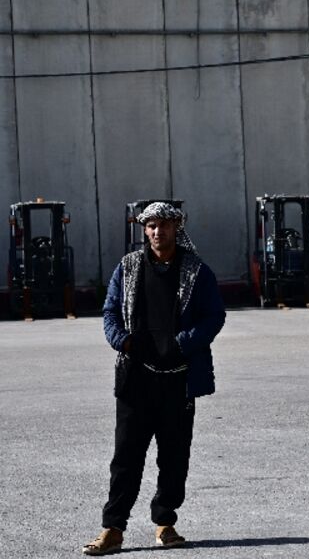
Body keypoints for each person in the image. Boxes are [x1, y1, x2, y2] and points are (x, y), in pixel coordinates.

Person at [82, 203, 225, 555]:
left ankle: (165, 523)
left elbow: (214, 317)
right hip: (136, 378)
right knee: (126, 457)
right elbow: (110, 311)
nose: (157, 232)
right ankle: (113, 530)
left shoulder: (196, 271)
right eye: (150, 226)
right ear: (144, 230)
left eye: (163, 225)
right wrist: (125, 340)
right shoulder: (128, 268)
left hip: (178, 380)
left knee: (174, 456)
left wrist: (182, 343)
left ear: (177, 227)